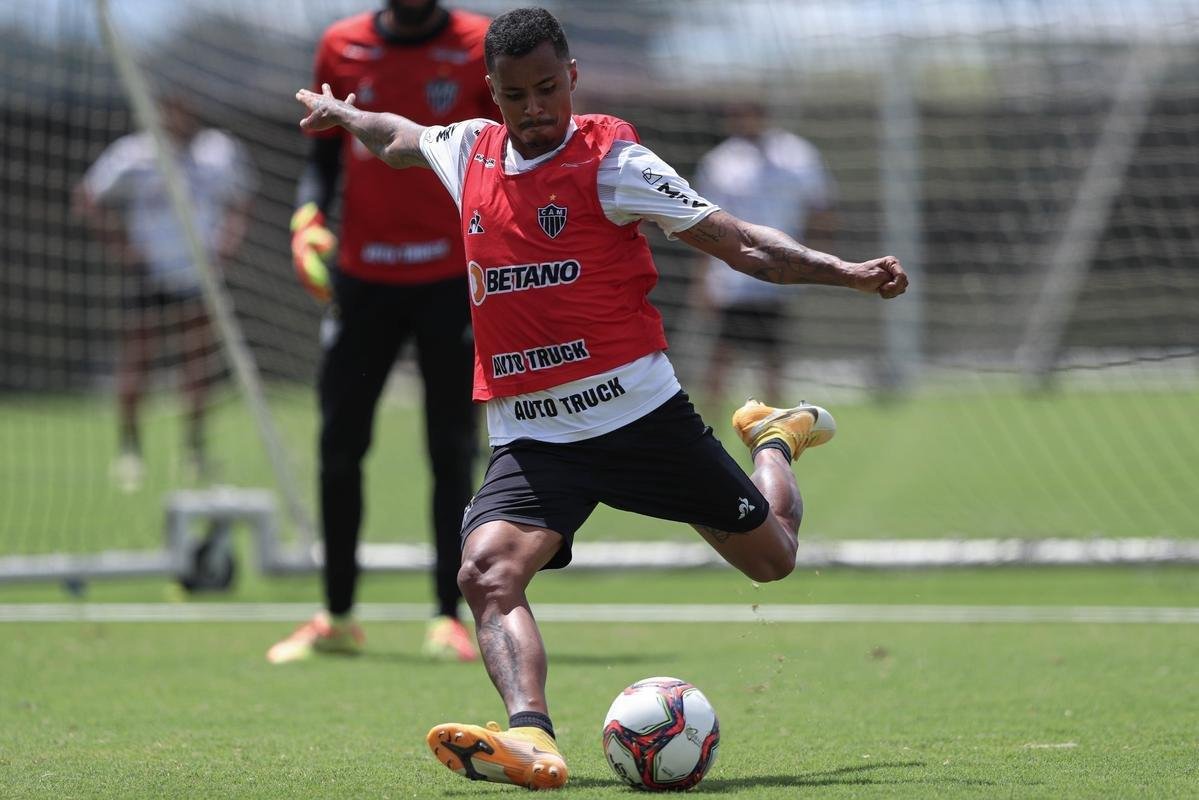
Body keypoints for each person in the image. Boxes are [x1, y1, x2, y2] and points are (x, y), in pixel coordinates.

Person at [294, 6, 907, 789]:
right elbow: (394, 136)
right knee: (484, 573)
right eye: (515, 95)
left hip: (640, 419)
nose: (534, 108)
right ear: (492, 93)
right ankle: (533, 739)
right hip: (535, 439)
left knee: (772, 562)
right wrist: (340, 110)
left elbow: (741, 242)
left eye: (548, 88)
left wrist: (845, 272)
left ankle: (774, 442)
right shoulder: (468, 149)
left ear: (572, 78)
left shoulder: (614, 162)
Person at [266, 0, 498, 666]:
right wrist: (307, 216)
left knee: (450, 448)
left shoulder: (478, 43)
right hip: (361, 281)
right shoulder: (340, 45)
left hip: (451, 276)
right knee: (340, 444)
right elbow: (320, 156)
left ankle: (447, 616)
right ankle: (336, 616)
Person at [74, 93, 255, 493]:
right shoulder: (134, 154)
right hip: (149, 275)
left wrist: (227, 243)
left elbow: (241, 202)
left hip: (199, 276)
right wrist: (121, 246)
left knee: (197, 365)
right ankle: (130, 450)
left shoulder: (219, 152)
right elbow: (87, 197)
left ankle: (194, 449)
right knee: (136, 362)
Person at [693, 100, 837, 403]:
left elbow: (821, 209)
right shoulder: (720, 162)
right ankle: (711, 433)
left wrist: (818, 261)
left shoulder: (797, 155)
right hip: (733, 278)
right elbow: (702, 224)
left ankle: (776, 434)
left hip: (777, 276)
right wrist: (704, 279)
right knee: (721, 359)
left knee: (773, 361)